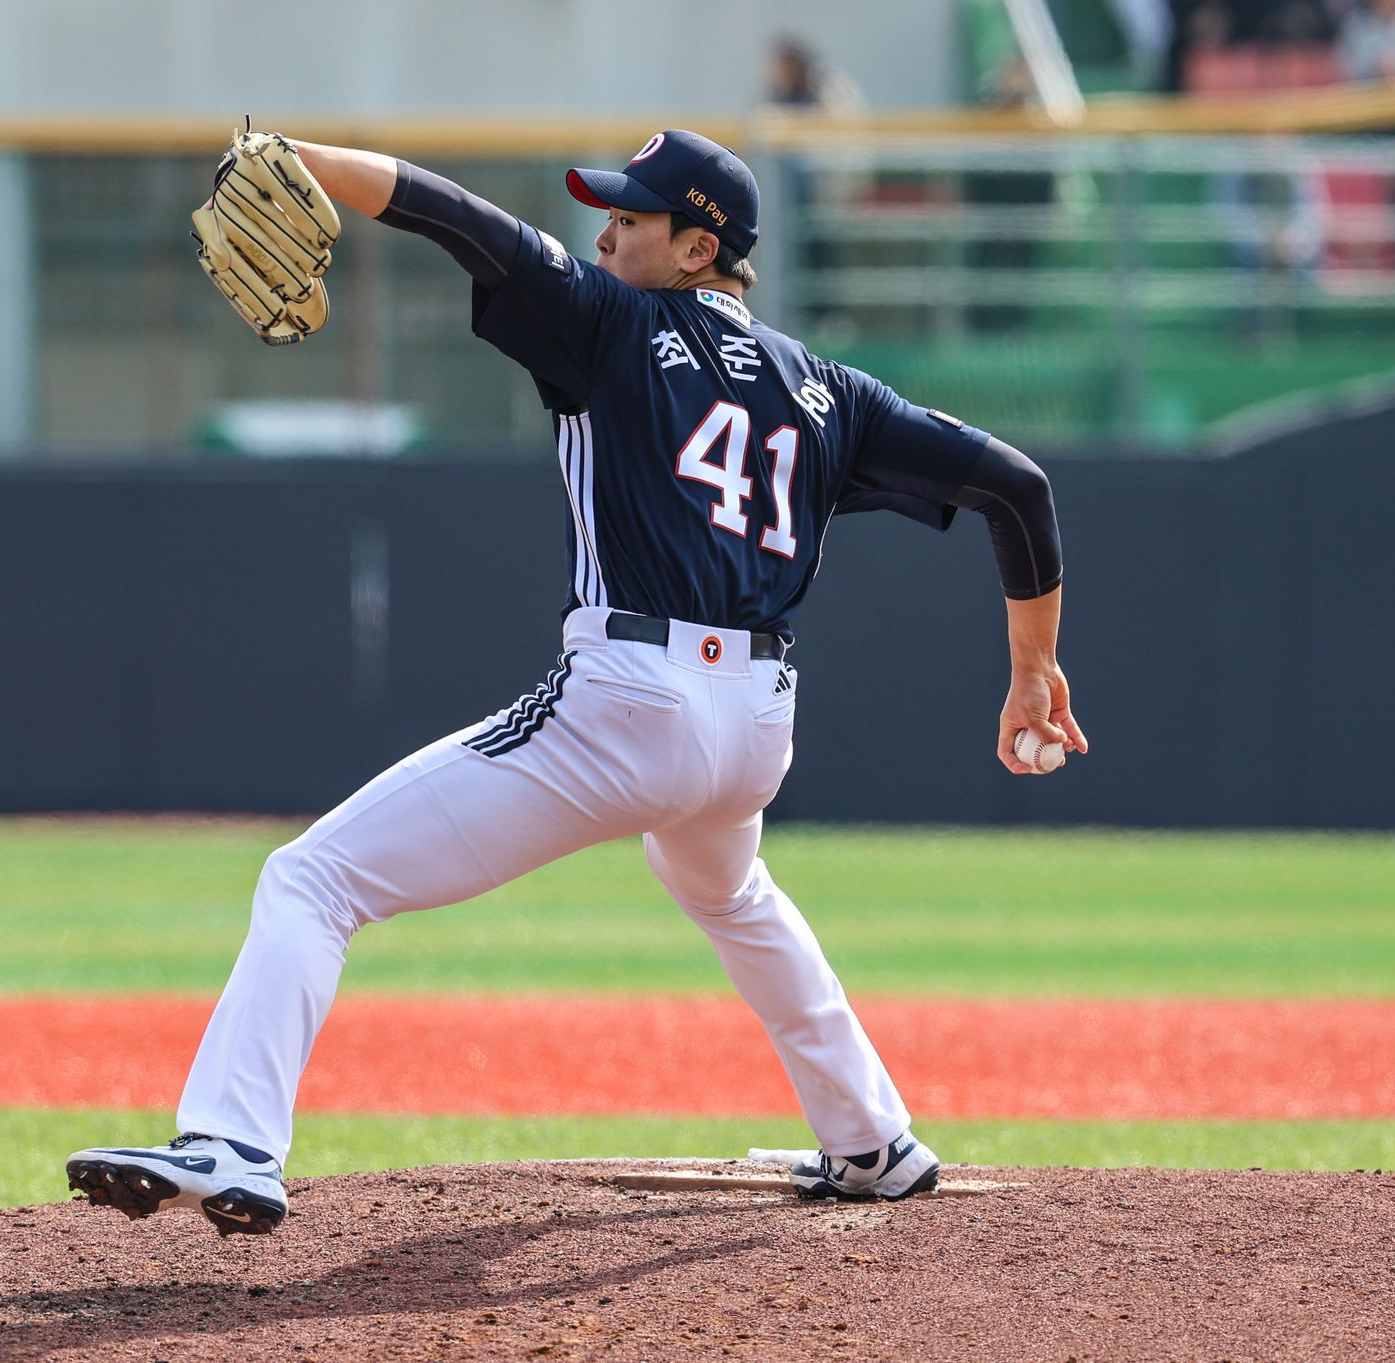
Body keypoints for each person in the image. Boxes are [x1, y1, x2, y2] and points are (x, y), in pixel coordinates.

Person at [69, 129, 1086, 1235]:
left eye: (630, 220)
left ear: (698, 247)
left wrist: (294, 152)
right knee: (729, 891)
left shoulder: (609, 323)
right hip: (754, 725)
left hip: (630, 701)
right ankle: (872, 1143)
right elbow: (1015, 487)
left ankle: (231, 1141)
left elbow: (449, 212)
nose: (603, 233)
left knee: (312, 881)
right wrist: (1030, 666)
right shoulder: (826, 391)